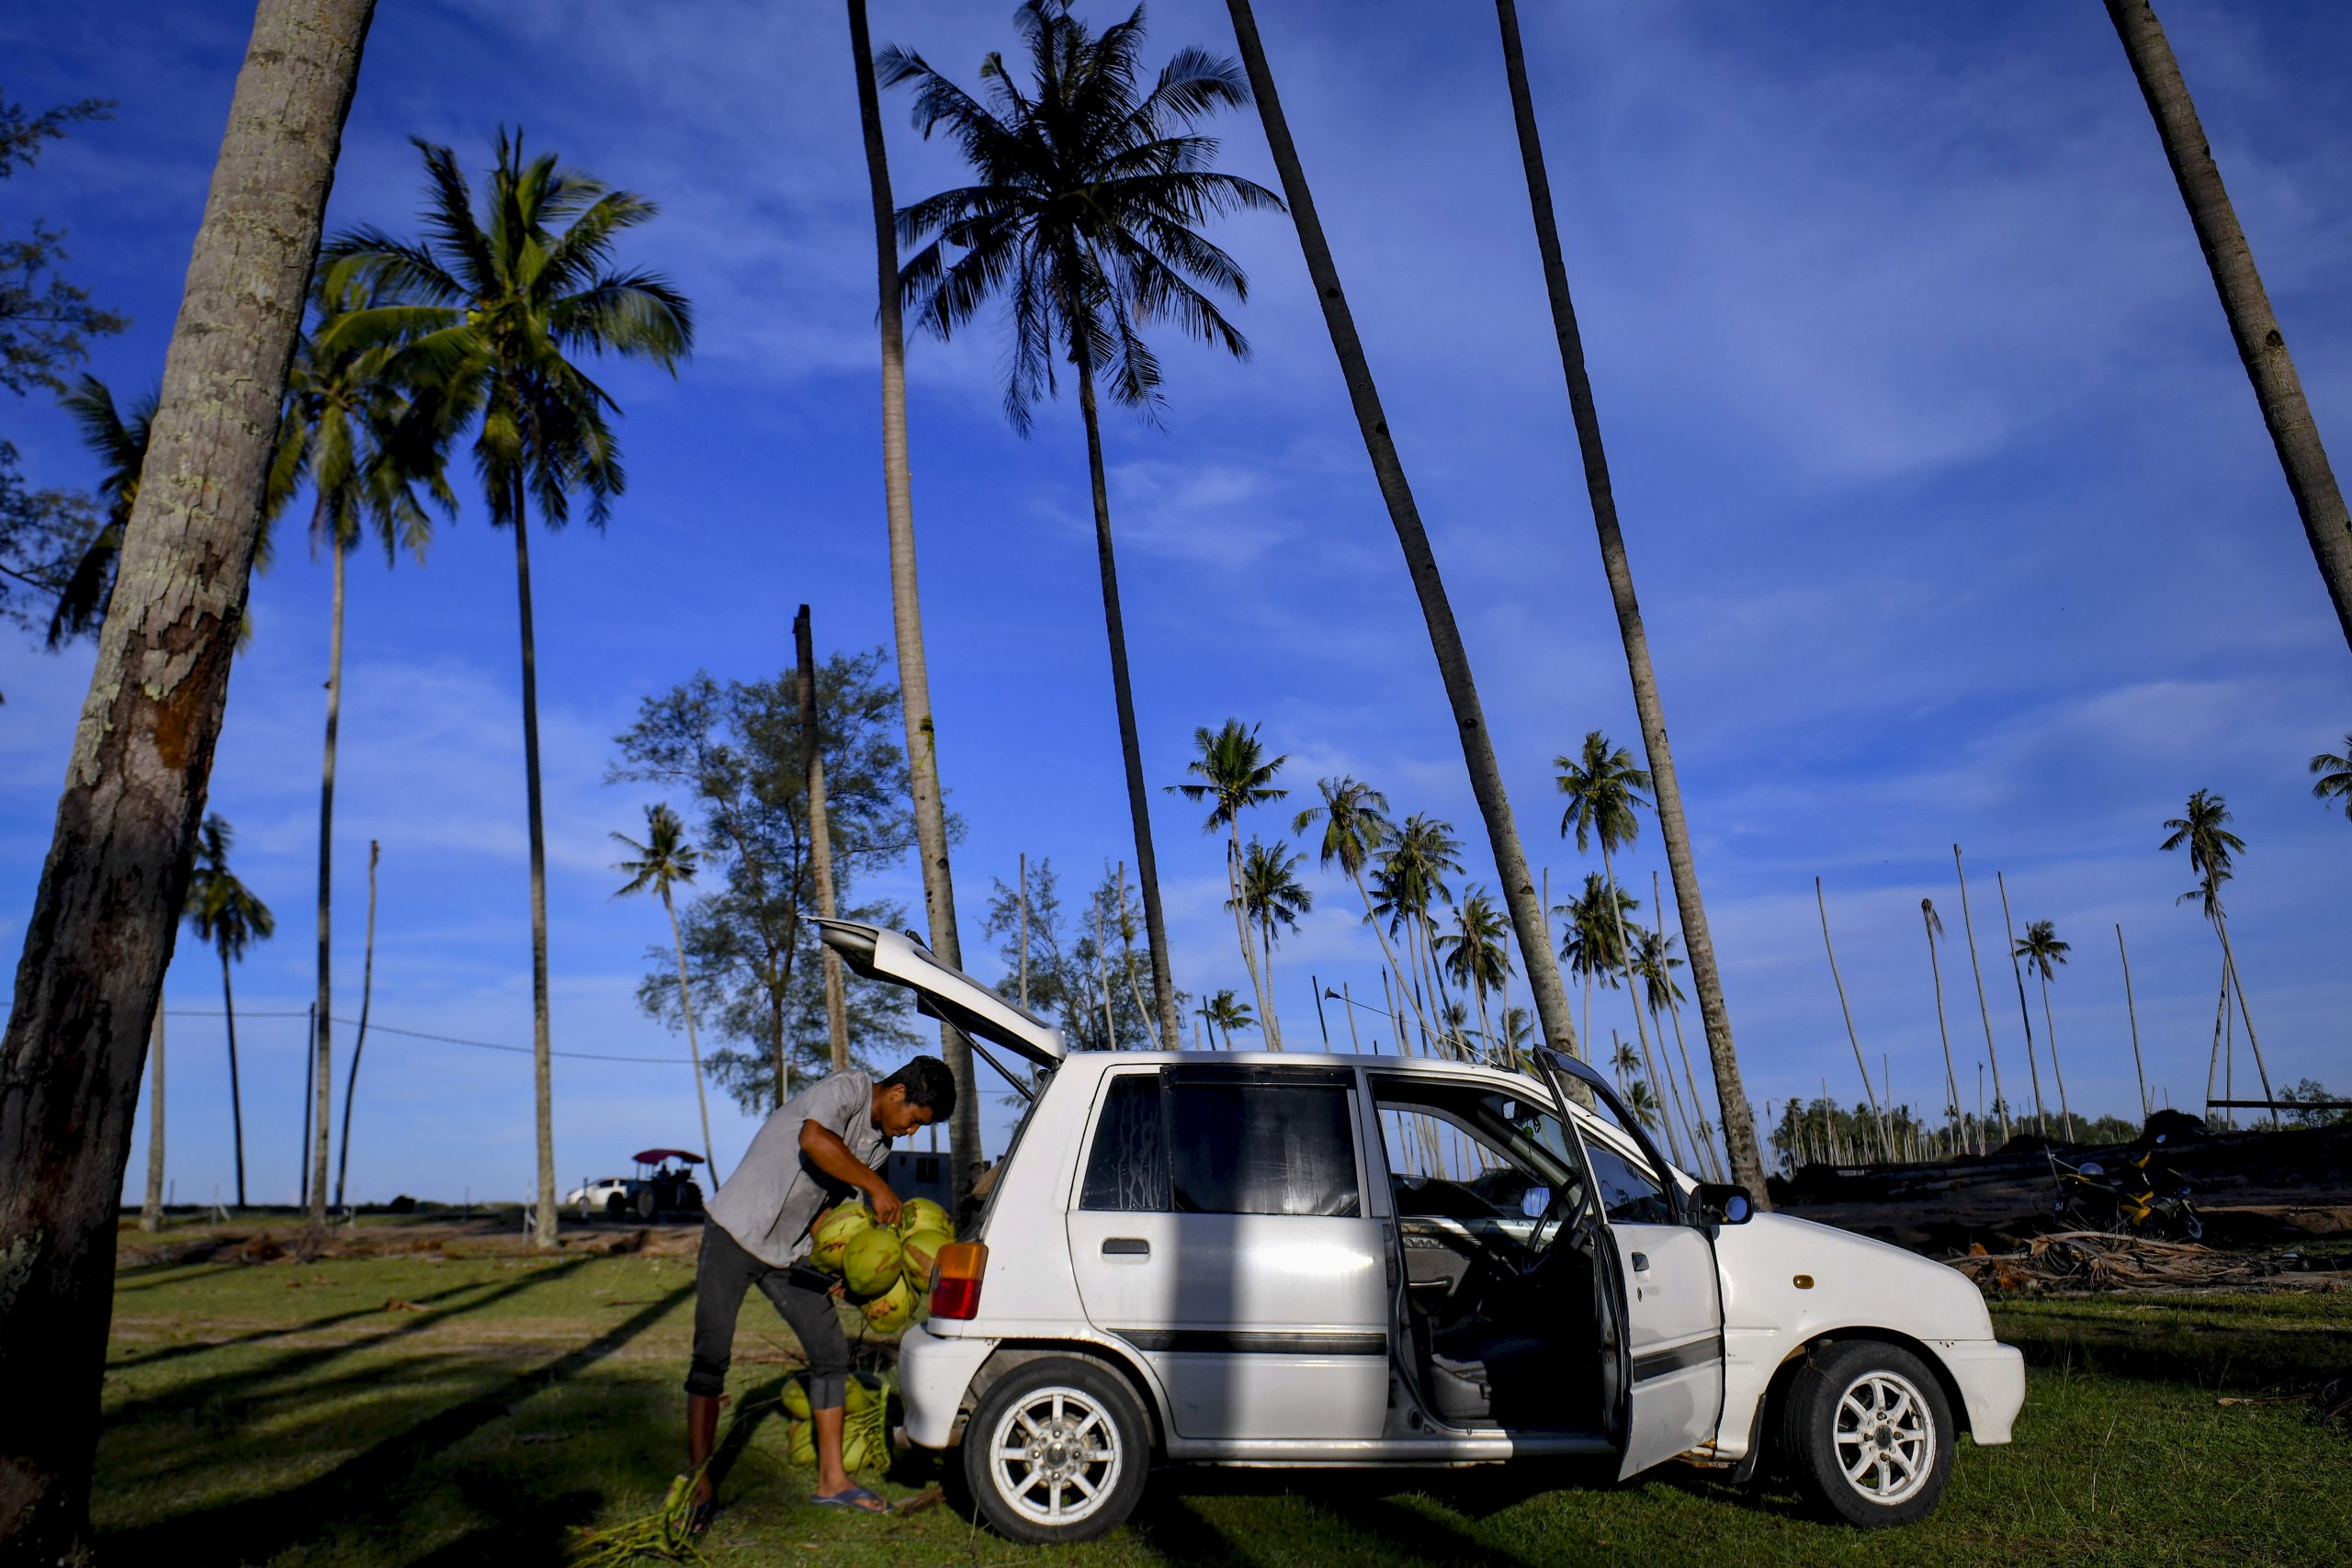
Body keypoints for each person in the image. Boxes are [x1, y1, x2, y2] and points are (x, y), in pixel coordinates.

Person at [684, 1056, 956, 1521]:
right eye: (914, 1120)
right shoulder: (847, 1090)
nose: (910, 1132)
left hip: (787, 1254)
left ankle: (833, 1480)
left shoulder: (878, 1149)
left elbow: (828, 1210)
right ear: (896, 1094)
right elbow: (815, 1141)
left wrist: (841, 1271)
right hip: (734, 1230)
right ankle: (698, 1482)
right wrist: (876, 1187)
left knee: (830, 1352)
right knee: (711, 1357)